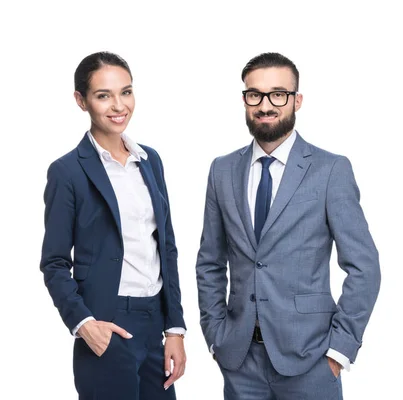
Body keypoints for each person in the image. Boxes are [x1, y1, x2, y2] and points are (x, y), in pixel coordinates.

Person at [195, 52, 381, 399]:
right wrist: (215, 336)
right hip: (240, 361)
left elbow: (364, 267)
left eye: (278, 94)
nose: (266, 105)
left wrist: (338, 351)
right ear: (245, 100)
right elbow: (209, 262)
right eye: (255, 95)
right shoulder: (221, 170)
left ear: (297, 100)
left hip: (311, 360)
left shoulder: (330, 170)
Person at [40, 51, 186, 400]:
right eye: (103, 95)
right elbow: (55, 262)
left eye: (126, 92)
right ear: (81, 101)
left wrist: (175, 329)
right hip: (107, 321)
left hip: (155, 321)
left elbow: (166, 247)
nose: (118, 105)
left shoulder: (150, 161)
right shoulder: (67, 172)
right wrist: (84, 324)